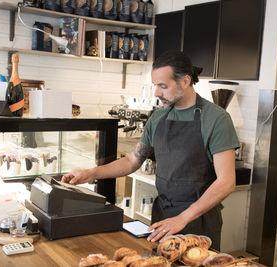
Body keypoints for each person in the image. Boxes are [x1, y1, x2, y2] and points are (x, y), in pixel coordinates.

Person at [62, 50, 239, 250]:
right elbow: (132, 161)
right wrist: (91, 172)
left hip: (199, 220)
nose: (157, 93)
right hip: (163, 215)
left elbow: (226, 182)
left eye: (163, 86)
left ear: (185, 81)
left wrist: (182, 218)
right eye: (156, 85)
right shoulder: (157, 118)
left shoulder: (216, 119)